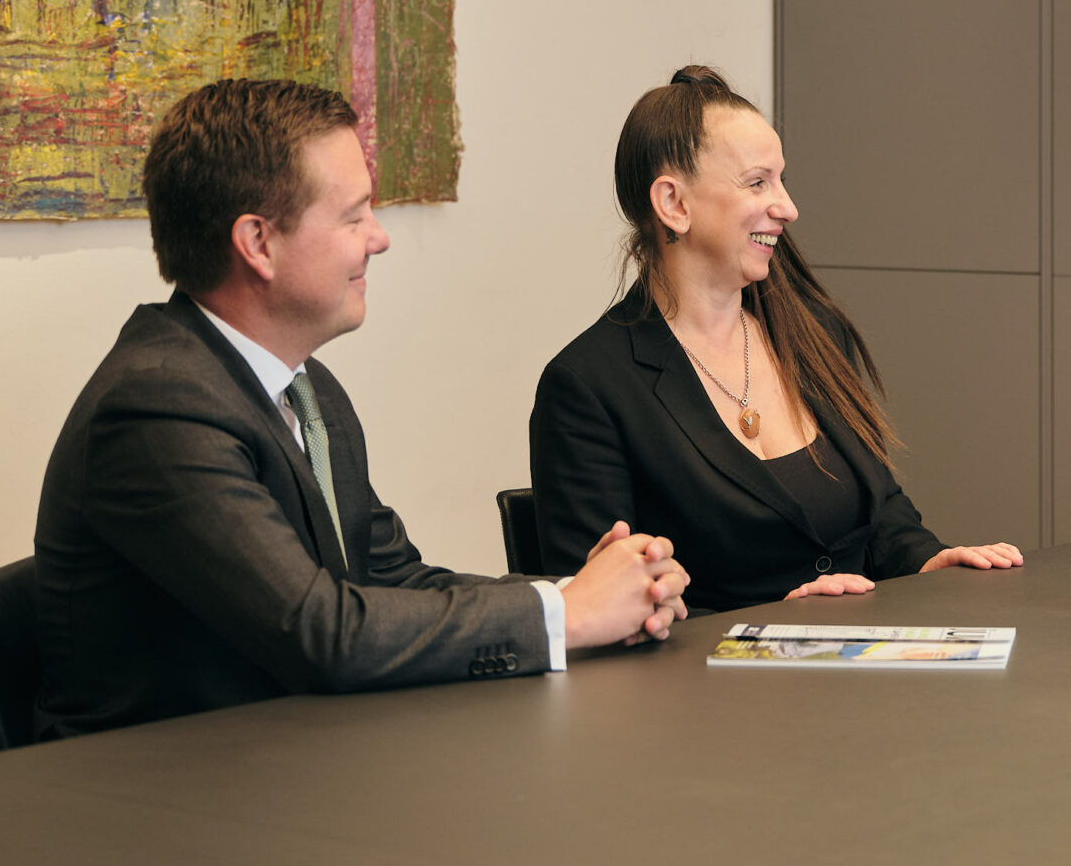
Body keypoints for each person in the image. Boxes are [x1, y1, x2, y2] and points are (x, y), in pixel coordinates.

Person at [34, 80, 688, 740]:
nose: (379, 239)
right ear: (257, 243)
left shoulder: (305, 388)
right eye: (353, 216)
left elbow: (390, 577)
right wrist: (566, 614)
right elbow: (323, 633)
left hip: (293, 767)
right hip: (158, 804)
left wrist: (589, 590)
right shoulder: (158, 409)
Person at [529, 65, 1023, 610]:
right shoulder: (587, 386)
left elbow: (880, 514)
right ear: (674, 203)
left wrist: (926, 561)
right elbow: (599, 614)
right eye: (758, 182)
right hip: (707, 692)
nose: (787, 207)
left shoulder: (815, 335)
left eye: (781, 180)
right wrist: (773, 632)